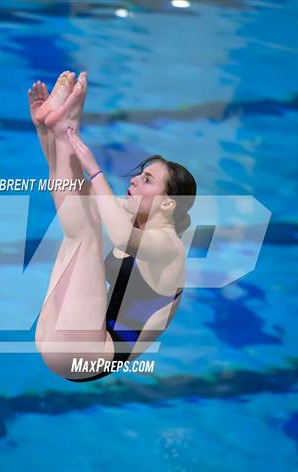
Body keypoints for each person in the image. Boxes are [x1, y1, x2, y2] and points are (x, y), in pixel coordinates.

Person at [28, 71, 196, 382]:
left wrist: (95, 170)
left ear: (168, 203)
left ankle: (68, 125)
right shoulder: (135, 219)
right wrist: (46, 135)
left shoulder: (169, 247)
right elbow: (72, 192)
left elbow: (121, 236)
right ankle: (59, 126)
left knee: (87, 236)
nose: (134, 179)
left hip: (87, 356)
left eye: (147, 180)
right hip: (59, 337)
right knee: (80, 215)